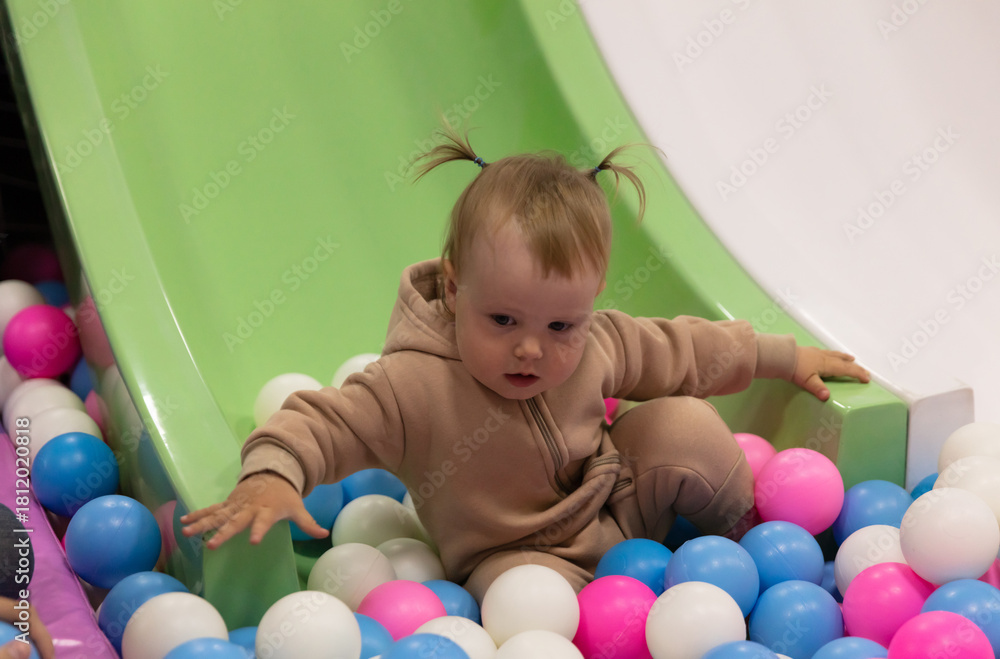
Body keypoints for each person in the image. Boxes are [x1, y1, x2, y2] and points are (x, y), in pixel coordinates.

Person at [182, 129, 870, 600]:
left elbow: (684, 348)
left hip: (617, 502)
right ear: (455, 291)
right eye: (503, 320)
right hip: (513, 556)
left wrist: (784, 355)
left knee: (686, 426)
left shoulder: (595, 341)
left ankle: (746, 548)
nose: (532, 348)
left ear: (591, 302)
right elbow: (320, 422)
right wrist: (272, 475)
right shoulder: (412, 385)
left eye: (560, 325)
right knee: (529, 605)